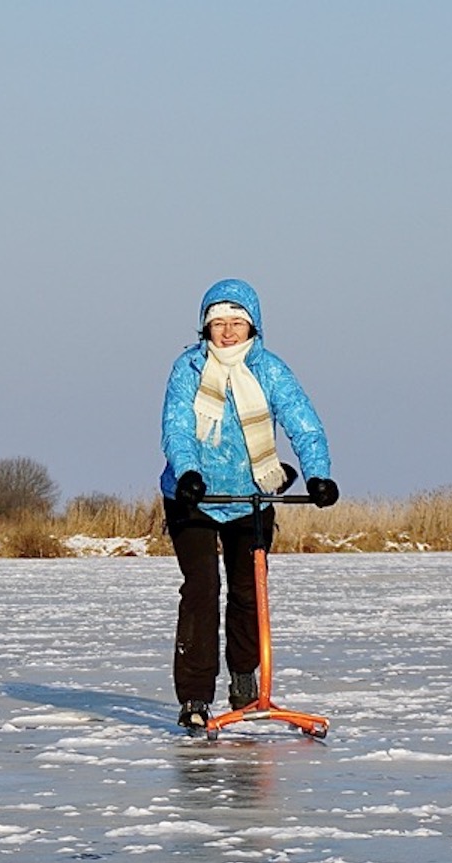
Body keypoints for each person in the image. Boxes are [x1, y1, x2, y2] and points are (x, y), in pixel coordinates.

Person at [159, 278, 338, 730]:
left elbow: (304, 423)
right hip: (193, 496)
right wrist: (188, 473)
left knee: (246, 591)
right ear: (205, 328)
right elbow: (177, 427)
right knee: (201, 591)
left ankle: (244, 677)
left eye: (236, 322)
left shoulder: (270, 370)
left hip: (253, 493)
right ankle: (195, 699)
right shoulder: (188, 369)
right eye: (218, 323)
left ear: (253, 325)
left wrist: (317, 475)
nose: (228, 332)